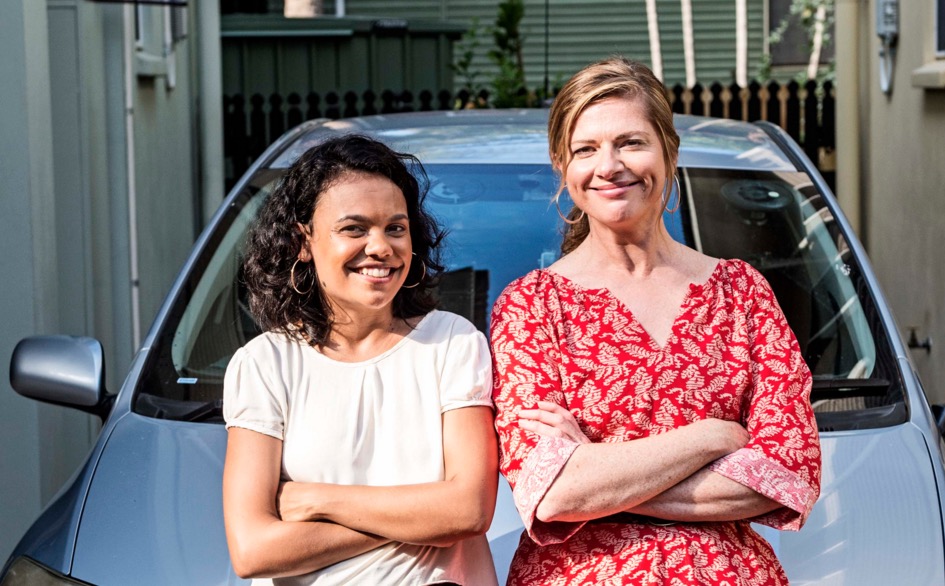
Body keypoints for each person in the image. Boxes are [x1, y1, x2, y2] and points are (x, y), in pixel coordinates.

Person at [491, 57, 821, 585]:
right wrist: (714, 437)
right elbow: (551, 492)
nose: (610, 165)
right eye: (586, 149)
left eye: (631, 142)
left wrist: (598, 470)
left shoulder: (741, 292)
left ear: (668, 151)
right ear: (563, 167)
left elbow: (788, 473)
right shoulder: (532, 307)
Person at [222, 135, 498, 585]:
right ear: (303, 241)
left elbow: (468, 510)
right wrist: (425, 520)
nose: (381, 247)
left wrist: (316, 501)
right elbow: (253, 550)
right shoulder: (265, 365)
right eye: (354, 229)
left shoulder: (452, 343)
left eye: (395, 227)